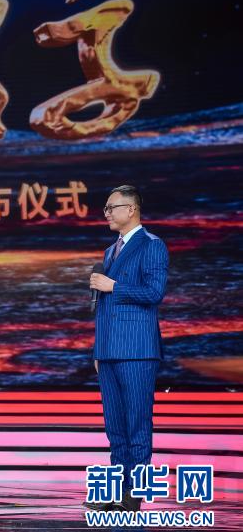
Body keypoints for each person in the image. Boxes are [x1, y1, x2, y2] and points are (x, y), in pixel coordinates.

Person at [85, 185, 168, 512]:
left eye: (111, 208)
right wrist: (98, 350)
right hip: (108, 351)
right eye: (106, 208)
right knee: (115, 426)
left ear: (130, 209)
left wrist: (114, 286)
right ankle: (116, 491)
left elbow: (154, 292)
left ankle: (134, 494)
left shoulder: (152, 245)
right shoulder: (110, 251)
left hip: (137, 349)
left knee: (137, 423)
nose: (106, 213)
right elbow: (103, 307)